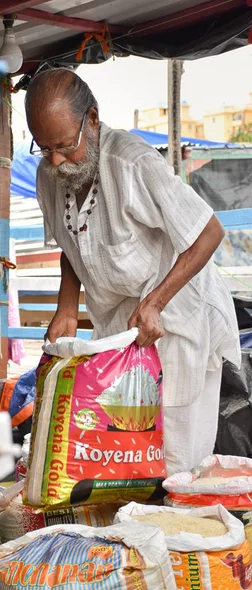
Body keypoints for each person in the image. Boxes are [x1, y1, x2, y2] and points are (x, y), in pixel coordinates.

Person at [25, 68, 241, 476]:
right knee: (119, 460)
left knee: (175, 466)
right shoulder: (48, 175)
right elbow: (73, 242)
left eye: (65, 146)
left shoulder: (131, 162)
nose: (56, 161)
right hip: (120, 334)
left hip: (179, 322)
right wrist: (66, 307)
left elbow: (209, 232)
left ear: (92, 118)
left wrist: (156, 302)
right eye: (44, 148)